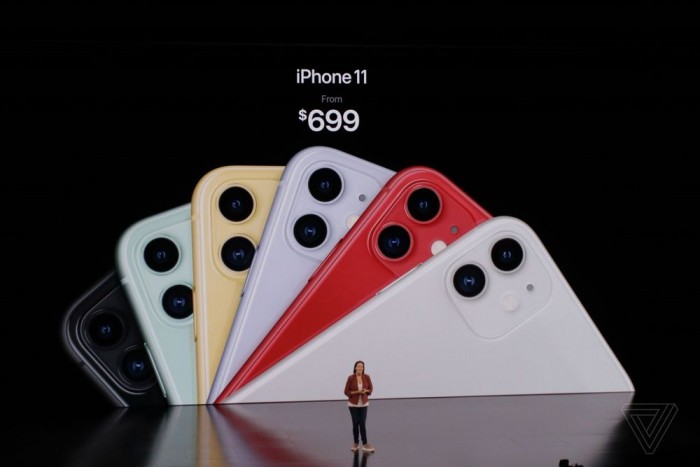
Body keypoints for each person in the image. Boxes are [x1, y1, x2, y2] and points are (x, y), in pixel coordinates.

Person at [344, 360, 375, 453]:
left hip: (364, 403)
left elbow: (371, 389)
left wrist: (366, 391)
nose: (360, 368)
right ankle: (356, 443)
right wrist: (356, 392)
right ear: (355, 367)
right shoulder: (350, 378)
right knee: (355, 423)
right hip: (353, 404)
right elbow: (346, 391)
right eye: (359, 366)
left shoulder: (367, 377)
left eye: (362, 366)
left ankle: (365, 444)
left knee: (362, 423)